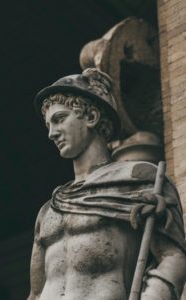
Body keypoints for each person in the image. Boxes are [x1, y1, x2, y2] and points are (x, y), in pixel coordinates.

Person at [28, 68, 186, 300]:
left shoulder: (138, 179)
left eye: (60, 119)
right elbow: (36, 292)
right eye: (48, 125)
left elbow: (173, 256)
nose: (52, 133)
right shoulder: (49, 208)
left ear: (91, 117)